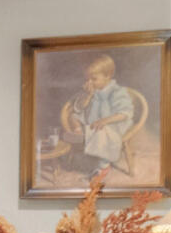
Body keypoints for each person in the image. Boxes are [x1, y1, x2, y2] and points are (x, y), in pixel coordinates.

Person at [58, 53, 149, 186]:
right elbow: (80, 108)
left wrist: (105, 121)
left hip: (113, 123)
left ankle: (103, 166)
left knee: (102, 131)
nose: (89, 82)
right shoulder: (91, 90)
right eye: (87, 79)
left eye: (93, 79)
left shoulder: (117, 92)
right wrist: (88, 96)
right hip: (93, 120)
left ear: (108, 76)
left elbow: (124, 113)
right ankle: (79, 131)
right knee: (74, 116)